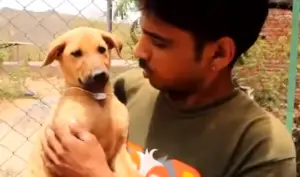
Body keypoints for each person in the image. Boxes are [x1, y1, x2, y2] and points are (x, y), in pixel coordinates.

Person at [41, 0, 297, 176]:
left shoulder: (259, 146)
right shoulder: (127, 90)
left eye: (160, 43)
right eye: (142, 33)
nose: (139, 50)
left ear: (218, 53)